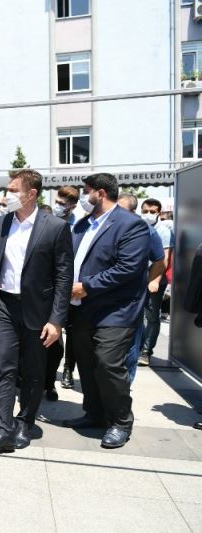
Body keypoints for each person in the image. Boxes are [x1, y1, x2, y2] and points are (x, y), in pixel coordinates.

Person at [0, 169, 73, 453]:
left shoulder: (55, 227)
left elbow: (63, 277)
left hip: (38, 310)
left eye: (12, 190)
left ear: (31, 194)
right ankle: (2, 428)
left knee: (33, 371)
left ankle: (24, 422)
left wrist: (56, 320)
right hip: (4, 305)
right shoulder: (0, 224)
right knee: (5, 367)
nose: (6, 195)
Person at [63, 173, 150, 449]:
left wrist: (86, 286)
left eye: (85, 191)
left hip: (116, 310)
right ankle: (95, 413)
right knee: (87, 364)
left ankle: (121, 421)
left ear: (100, 193)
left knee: (108, 363)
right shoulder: (82, 225)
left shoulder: (131, 225)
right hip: (82, 309)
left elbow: (128, 268)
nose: (82, 196)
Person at [117, 194, 166, 382]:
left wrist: (149, 282)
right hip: (105, 296)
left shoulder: (145, 230)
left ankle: (125, 387)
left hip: (132, 299)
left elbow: (160, 260)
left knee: (130, 344)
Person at [139, 198, 174, 367]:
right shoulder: (138, 227)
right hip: (138, 279)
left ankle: (146, 351)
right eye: (145, 211)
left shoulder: (164, 231)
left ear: (159, 213)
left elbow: (165, 259)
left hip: (155, 279)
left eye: (152, 212)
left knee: (152, 316)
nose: (148, 214)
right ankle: (137, 347)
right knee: (137, 316)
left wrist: (155, 280)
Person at [53, 186, 80, 389]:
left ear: (72, 205)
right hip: (49, 284)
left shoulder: (78, 225)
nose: (58, 206)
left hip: (71, 285)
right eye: (57, 201)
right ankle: (49, 373)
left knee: (71, 332)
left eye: (62, 204)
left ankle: (68, 369)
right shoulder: (49, 221)